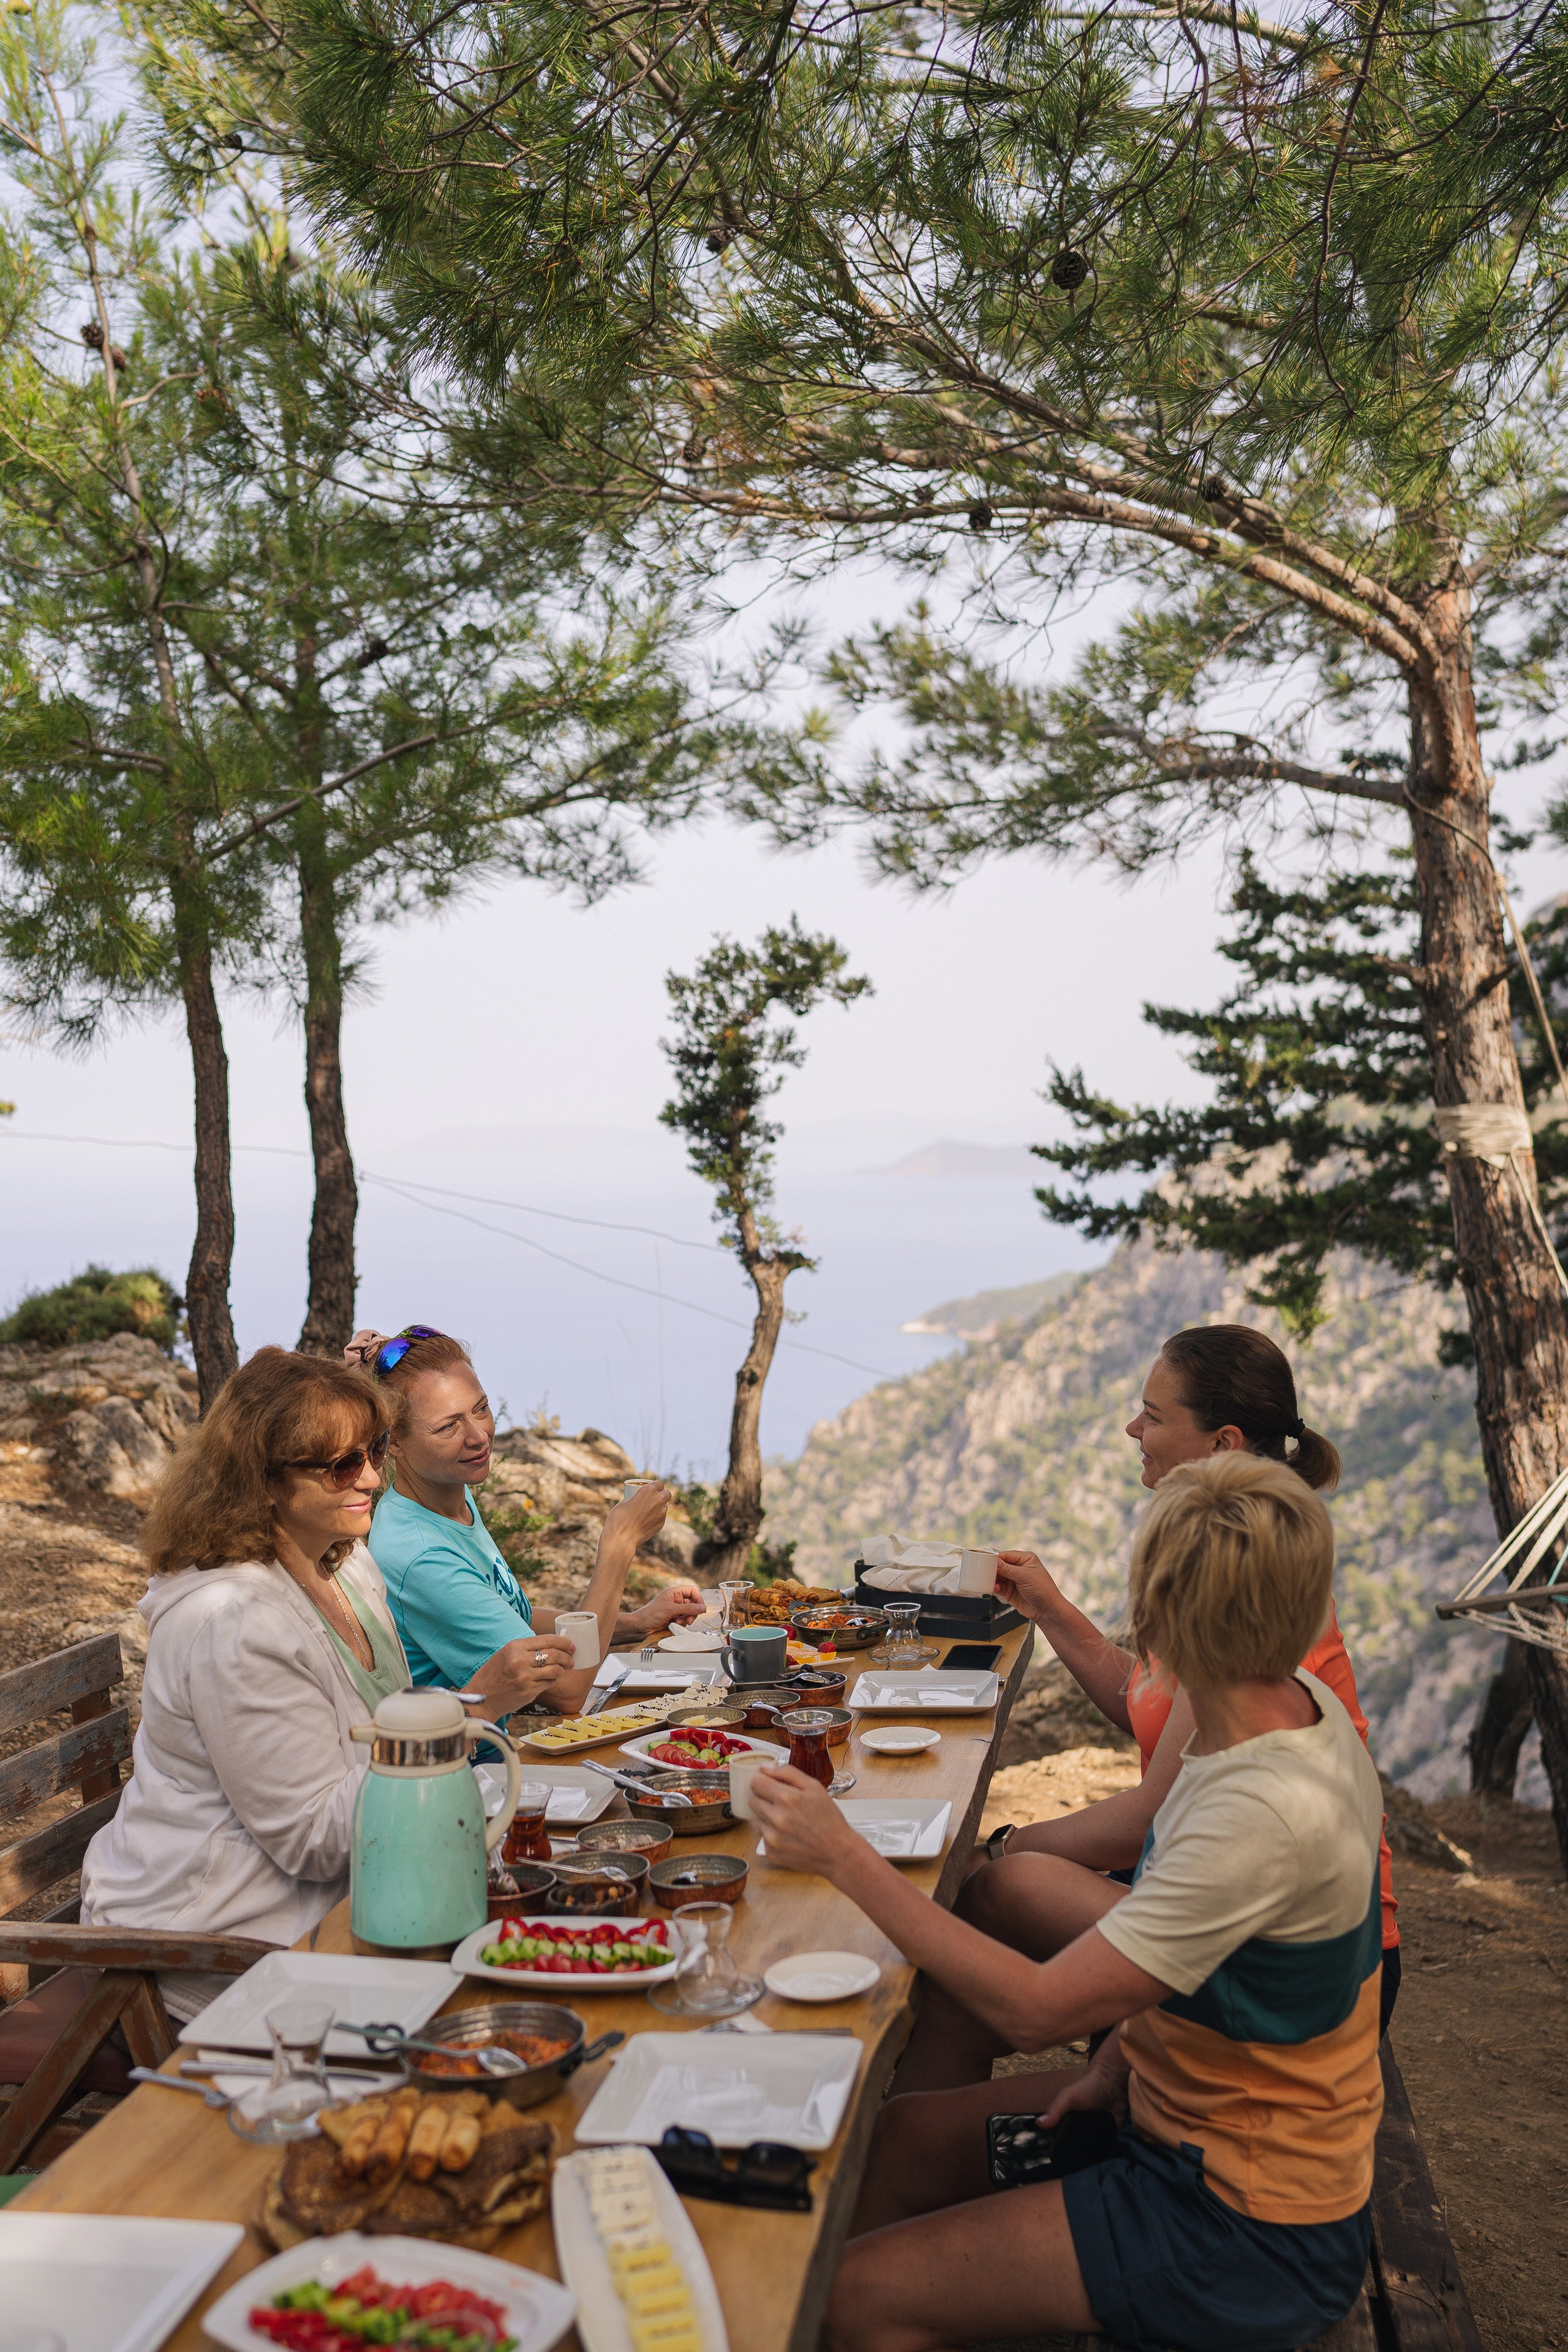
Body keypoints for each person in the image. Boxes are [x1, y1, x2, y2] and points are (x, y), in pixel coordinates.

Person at [750, 1455, 1386, 2352]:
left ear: (1159, 1615)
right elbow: (1200, 1949)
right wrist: (1118, 2065)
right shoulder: (1283, 1702)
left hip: (1241, 2220)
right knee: (895, 2144)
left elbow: (1032, 2006)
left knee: (858, 2300)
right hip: (1176, 2119)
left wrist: (844, 1855)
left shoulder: (1260, 1814)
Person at [895, 1323, 1400, 2092]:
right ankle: (937, 2125)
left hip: (1283, 1940)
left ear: (1223, 1439)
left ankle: (928, 2133)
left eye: (1154, 1415)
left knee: (996, 1889)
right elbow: (1152, 1708)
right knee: (991, 1901)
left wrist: (995, 1844)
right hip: (1239, 1897)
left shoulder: (1246, 1590)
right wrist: (1053, 1611)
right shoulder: (1235, 1552)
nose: (1134, 1430)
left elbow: (1148, 1814)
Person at [80, 1349, 411, 2015]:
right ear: (261, 1481)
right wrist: (452, 1725)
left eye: (375, 1450)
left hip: (337, 1906)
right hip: (214, 1943)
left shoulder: (345, 1567)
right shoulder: (235, 1625)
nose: (371, 1477)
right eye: (343, 1464)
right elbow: (315, 1839)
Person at [347, 1326, 703, 1723]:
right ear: (393, 1441)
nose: (479, 1435)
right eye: (449, 1426)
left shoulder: (445, 1494)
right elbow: (567, 1691)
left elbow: (509, 1616)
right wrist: (620, 1543)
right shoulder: (419, 1554)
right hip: (474, 1771)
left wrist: (635, 1623)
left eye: (480, 1408)